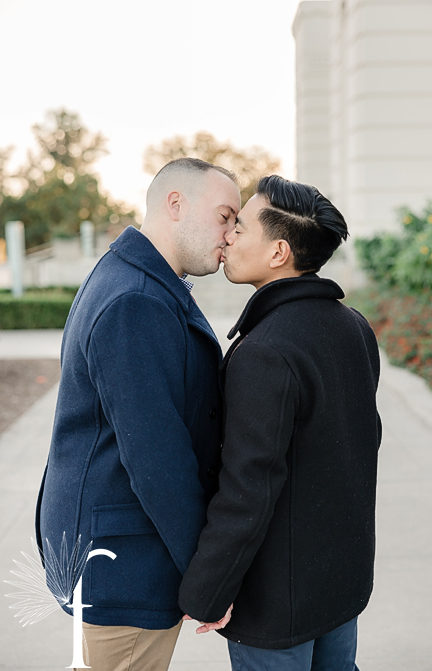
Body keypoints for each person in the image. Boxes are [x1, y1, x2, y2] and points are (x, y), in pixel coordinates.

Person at [35, 157, 242, 669]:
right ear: (176, 205)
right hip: (125, 563)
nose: (232, 235)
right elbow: (157, 457)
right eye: (224, 216)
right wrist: (208, 575)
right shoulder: (136, 300)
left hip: (117, 551)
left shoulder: (131, 278)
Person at [177, 175, 381, 670]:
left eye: (240, 228)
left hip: (277, 601)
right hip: (340, 585)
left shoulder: (266, 351)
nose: (227, 236)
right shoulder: (352, 326)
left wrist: (207, 589)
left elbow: (249, 485)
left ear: (278, 252)